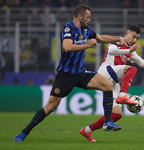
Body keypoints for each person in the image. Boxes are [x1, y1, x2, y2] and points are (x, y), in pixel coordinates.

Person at [14, 4, 134, 142]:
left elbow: (100, 38)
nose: (89, 20)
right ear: (79, 16)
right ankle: (25, 132)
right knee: (51, 106)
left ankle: (107, 122)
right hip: (65, 75)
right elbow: (67, 47)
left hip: (80, 73)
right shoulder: (68, 28)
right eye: (88, 17)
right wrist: (87, 46)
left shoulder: (86, 30)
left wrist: (117, 39)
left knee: (107, 85)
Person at [80, 24, 144, 142]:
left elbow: (142, 63)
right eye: (133, 36)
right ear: (127, 33)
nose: (134, 40)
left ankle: (86, 131)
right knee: (132, 69)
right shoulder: (118, 41)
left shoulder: (131, 51)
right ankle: (123, 95)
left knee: (116, 115)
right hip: (106, 71)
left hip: (114, 81)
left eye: (137, 38)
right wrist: (128, 50)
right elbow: (111, 51)